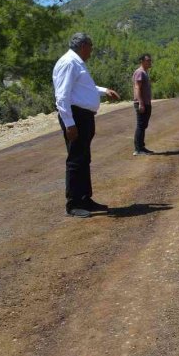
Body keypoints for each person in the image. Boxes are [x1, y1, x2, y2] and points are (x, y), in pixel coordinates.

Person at [52, 32, 120, 218]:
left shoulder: (76, 63)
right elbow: (62, 96)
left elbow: (84, 89)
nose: (91, 51)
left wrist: (104, 90)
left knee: (84, 158)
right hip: (75, 116)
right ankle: (73, 204)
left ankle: (85, 198)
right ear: (83, 46)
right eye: (90, 47)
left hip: (83, 116)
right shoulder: (69, 63)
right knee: (75, 159)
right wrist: (69, 123)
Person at [132, 53, 154, 155]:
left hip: (145, 102)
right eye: (148, 60)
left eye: (150, 60)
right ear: (142, 61)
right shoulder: (140, 72)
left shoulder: (144, 72)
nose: (150, 62)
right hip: (141, 103)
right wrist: (141, 103)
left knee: (143, 125)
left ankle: (141, 147)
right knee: (141, 125)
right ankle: (138, 149)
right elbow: (137, 87)